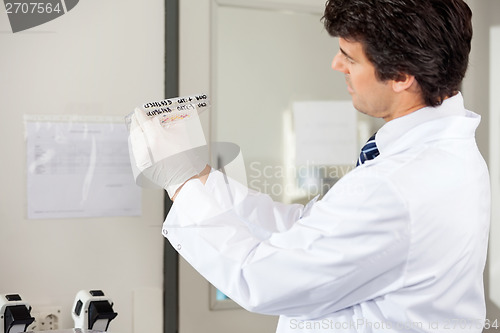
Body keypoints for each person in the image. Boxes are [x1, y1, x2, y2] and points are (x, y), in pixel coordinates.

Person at [129, 0, 491, 331]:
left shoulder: (396, 187)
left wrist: (181, 182)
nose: (336, 64)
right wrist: (203, 181)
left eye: (350, 57)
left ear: (401, 76)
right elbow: (306, 231)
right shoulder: (445, 155)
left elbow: (264, 279)